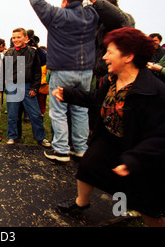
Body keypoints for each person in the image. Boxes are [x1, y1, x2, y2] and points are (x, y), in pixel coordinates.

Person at [52, 27, 165, 227]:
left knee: (146, 202)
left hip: (138, 150)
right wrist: (69, 94)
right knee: (87, 167)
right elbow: (97, 98)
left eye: (110, 52)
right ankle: (81, 204)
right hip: (108, 138)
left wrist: (133, 159)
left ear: (128, 56)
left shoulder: (154, 92)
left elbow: (159, 135)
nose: (104, 57)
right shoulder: (112, 80)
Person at [26, 0, 99, 162]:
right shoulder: (91, 15)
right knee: (80, 110)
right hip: (86, 71)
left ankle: (61, 149)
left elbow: (38, 2)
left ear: (65, 2)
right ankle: (81, 148)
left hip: (63, 70)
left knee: (58, 110)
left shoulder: (57, 15)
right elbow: (87, 2)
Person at [0, 28, 49, 146]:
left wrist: (35, 88)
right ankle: (12, 136)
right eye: (14, 37)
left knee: (35, 114)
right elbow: (2, 72)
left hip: (27, 86)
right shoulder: (9, 53)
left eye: (18, 37)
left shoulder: (33, 52)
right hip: (12, 87)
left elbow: (37, 72)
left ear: (26, 38)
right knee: (12, 115)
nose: (16, 40)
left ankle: (40, 138)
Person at [81, 0, 135, 87]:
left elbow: (115, 17)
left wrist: (97, 1)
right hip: (102, 73)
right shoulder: (101, 25)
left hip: (115, 73)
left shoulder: (122, 20)